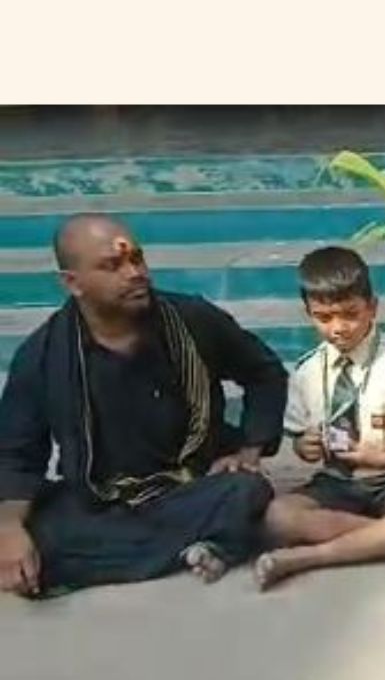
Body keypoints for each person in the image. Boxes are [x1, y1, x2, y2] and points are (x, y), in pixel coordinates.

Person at [0, 213, 288, 598]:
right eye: (113, 266)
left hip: (196, 484)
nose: (134, 272)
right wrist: (9, 530)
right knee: (42, 528)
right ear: (73, 283)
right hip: (102, 503)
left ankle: (151, 551)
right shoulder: (42, 355)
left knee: (245, 490)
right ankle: (202, 545)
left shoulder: (192, 319)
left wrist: (250, 449)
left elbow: (264, 372)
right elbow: (17, 456)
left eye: (137, 259)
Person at [255, 247, 385, 589]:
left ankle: (310, 557)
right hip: (340, 481)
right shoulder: (307, 371)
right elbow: (301, 441)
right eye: (324, 317)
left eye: (350, 314)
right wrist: (306, 445)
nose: (338, 328)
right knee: (279, 516)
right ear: (309, 313)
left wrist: (384, 458)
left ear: (373, 308)